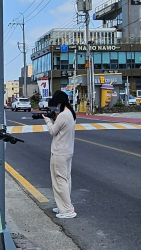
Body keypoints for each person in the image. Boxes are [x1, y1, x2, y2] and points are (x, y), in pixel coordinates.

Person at [42, 90, 77, 219]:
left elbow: (52, 131)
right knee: (66, 179)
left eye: (56, 103)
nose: (56, 106)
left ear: (60, 103)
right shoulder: (71, 114)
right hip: (68, 151)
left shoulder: (63, 115)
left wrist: (47, 120)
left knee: (59, 180)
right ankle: (62, 205)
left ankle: (67, 209)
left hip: (59, 152)